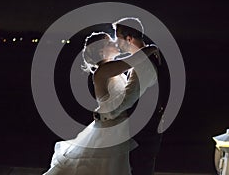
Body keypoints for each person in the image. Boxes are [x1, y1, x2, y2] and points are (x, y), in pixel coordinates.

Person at [43, 33, 159, 175]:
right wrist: (151, 48)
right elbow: (132, 61)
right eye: (110, 43)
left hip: (117, 125)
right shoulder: (103, 70)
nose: (115, 43)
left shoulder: (112, 69)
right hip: (110, 130)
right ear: (100, 51)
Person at [96, 20, 170, 175]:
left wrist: (104, 114)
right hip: (144, 131)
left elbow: (128, 99)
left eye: (118, 39)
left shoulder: (142, 64)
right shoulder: (146, 59)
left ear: (129, 39)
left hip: (142, 134)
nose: (116, 44)